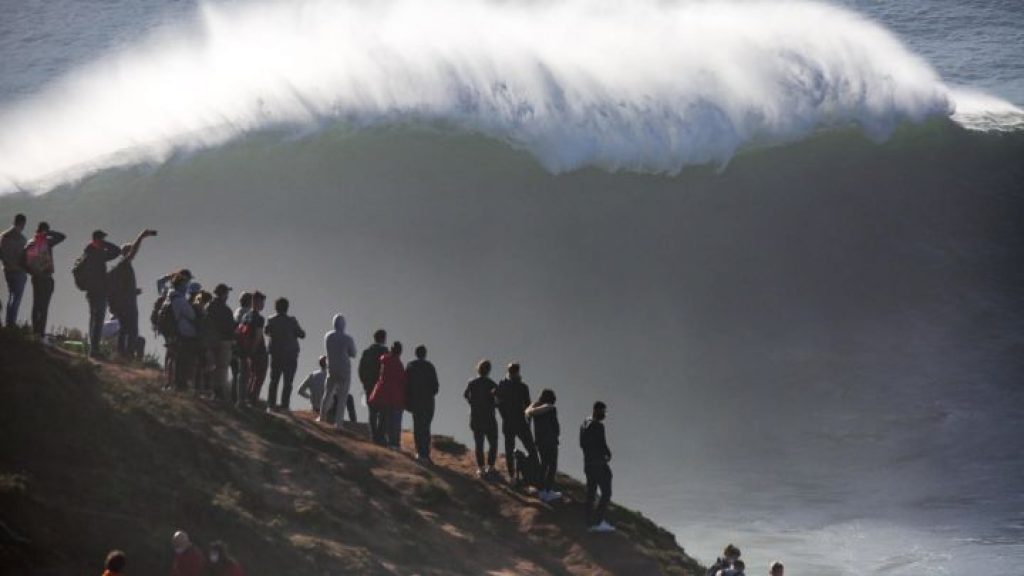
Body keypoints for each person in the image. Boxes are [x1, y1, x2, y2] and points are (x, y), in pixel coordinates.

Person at [107, 229, 156, 357]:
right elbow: (133, 252)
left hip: (122, 304)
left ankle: (122, 354)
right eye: (131, 249)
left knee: (124, 330)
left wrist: (134, 292)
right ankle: (127, 356)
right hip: (127, 306)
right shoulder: (123, 264)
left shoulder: (119, 267)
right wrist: (141, 236)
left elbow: (120, 289)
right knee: (132, 331)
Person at [77, 230, 123, 358]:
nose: (104, 241)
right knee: (98, 320)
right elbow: (117, 251)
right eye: (102, 239)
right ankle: (94, 350)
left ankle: (93, 349)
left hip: (91, 291)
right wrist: (105, 244)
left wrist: (101, 243)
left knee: (93, 319)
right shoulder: (97, 254)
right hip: (99, 291)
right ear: (98, 239)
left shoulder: (88, 252)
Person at [495, 362, 538, 484]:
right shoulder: (522, 386)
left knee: (510, 449)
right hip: (519, 421)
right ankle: (533, 475)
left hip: (509, 422)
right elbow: (528, 406)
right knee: (530, 448)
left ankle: (513, 476)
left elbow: (497, 402)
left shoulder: (503, 385)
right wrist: (528, 421)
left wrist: (503, 414)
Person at [22, 221, 66, 337]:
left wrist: (32, 272)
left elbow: (23, 262)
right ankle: (40, 332)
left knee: (36, 304)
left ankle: (35, 330)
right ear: (45, 231)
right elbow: (62, 236)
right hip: (46, 278)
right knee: (44, 306)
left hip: (36, 278)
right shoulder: (47, 242)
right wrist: (48, 233)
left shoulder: (30, 243)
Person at [265, 297, 306, 412]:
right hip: (290, 355)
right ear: (287, 308)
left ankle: (271, 405)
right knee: (288, 382)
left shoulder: (271, 320)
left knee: (274, 380)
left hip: (276, 354)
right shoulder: (292, 321)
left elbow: (266, 331)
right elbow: (302, 334)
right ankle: (284, 406)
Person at [581, 401, 614, 532]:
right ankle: (598, 521)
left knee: (591, 493)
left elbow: (583, 444)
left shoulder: (584, 423)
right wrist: (606, 454)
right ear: (597, 410)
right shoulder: (598, 426)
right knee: (606, 492)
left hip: (588, 463)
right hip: (598, 464)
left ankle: (588, 522)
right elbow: (601, 443)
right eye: (603, 412)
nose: (604, 415)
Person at [321, 314, 357, 430]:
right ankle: (338, 422)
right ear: (343, 325)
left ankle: (322, 417)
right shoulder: (347, 338)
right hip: (344, 369)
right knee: (342, 396)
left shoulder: (328, 336)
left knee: (327, 394)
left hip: (331, 367)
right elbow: (353, 353)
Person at [464, 359, 499, 478]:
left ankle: (481, 468)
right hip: (489, 417)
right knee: (493, 442)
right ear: (488, 370)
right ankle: (490, 466)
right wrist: (493, 405)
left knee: (479, 444)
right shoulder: (492, 384)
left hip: (476, 417)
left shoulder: (472, 383)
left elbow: (465, 395)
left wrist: (472, 403)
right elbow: (498, 400)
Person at [369, 341, 407, 449]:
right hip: (391, 394)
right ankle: (385, 441)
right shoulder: (398, 364)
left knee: (379, 416)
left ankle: (377, 438)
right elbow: (402, 381)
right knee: (387, 419)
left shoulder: (384, 360)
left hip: (380, 390)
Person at [526, 388, 561, 502]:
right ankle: (547, 491)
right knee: (552, 466)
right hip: (550, 441)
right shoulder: (550, 408)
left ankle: (541, 490)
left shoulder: (534, 409)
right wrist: (556, 435)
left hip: (539, 441)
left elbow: (528, 414)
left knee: (544, 465)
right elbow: (555, 426)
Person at [405, 345, 440, 462]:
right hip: (428, 402)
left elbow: (406, 385)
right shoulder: (430, 367)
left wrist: (408, 399)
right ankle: (425, 453)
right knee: (426, 427)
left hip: (415, 401)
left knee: (417, 426)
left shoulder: (410, 366)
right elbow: (436, 387)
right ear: (425, 354)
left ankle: (419, 452)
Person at [167, 274, 200, 392]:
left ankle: (177, 383)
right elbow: (191, 315)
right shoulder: (179, 299)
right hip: (184, 332)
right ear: (180, 285)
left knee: (178, 359)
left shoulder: (171, 297)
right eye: (185, 284)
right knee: (183, 360)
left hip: (177, 331)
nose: (187, 287)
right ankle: (180, 385)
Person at [205, 284, 236, 400]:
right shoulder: (226, 310)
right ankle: (218, 393)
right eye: (226, 293)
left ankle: (208, 389)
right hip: (224, 341)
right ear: (223, 294)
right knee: (222, 368)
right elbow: (230, 328)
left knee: (210, 366)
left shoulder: (209, 306)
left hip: (210, 340)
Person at [358, 329, 389, 443]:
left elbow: (361, 369)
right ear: (383, 338)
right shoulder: (386, 352)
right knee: (383, 412)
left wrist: (365, 382)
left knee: (372, 412)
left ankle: (374, 435)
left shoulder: (367, 352)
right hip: (382, 386)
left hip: (369, 385)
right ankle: (381, 436)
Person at [239, 291, 268, 405]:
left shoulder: (246, 316)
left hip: (246, 348)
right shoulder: (259, 318)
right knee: (259, 376)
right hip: (258, 350)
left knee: (251, 375)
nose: (263, 305)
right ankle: (253, 399)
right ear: (256, 302)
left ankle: (246, 397)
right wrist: (254, 350)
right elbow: (258, 335)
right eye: (261, 302)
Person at [1, 213, 27, 327]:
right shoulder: (22, 239)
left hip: (7, 270)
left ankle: (8, 321)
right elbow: (24, 257)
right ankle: (11, 322)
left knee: (11, 295)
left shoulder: (4, 236)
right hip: (18, 271)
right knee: (16, 297)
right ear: (22, 223)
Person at [230, 291, 252, 406]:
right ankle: (240, 399)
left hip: (234, 345)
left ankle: (234, 397)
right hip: (241, 345)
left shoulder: (236, 311)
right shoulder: (246, 313)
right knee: (243, 373)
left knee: (236, 373)